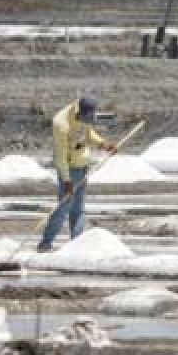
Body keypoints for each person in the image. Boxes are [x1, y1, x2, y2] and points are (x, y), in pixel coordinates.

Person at [37, 95, 116, 252]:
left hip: (83, 165)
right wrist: (66, 181)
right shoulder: (61, 124)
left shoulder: (85, 115)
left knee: (79, 208)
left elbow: (88, 134)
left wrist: (103, 144)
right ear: (80, 113)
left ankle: (77, 245)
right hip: (68, 168)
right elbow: (60, 156)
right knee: (63, 207)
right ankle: (46, 243)